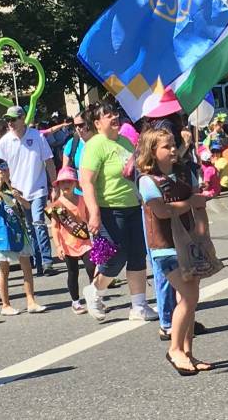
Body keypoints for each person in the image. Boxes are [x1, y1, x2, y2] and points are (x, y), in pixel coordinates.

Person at [136, 128, 214, 375]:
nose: (172, 150)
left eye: (173, 145)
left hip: (188, 244)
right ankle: (174, 349)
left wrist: (202, 235)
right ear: (152, 152)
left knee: (190, 300)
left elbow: (197, 203)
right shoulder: (147, 180)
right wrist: (191, 203)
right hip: (164, 248)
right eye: (166, 147)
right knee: (189, 295)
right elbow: (160, 211)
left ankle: (187, 353)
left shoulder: (184, 173)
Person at [79, 102, 158, 322]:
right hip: (109, 209)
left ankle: (139, 305)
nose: (113, 117)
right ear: (97, 123)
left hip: (133, 206)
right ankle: (95, 290)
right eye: (107, 115)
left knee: (137, 255)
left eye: (115, 113)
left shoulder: (125, 141)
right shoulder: (95, 145)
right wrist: (93, 212)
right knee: (115, 256)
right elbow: (86, 181)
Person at [0, 106, 58, 277]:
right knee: (29, 227)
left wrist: (54, 185)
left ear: (22, 119)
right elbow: (3, 168)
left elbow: (49, 162)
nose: (10, 123)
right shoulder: (5, 141)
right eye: (7, 120)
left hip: (38, 188)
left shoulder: (37, 136)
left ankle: (47, 261)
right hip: (18, 190)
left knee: (38, 223)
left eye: (13, 119)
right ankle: (37, 261)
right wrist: (6, 184)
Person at [0, 160, 46, 316]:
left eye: (6, 170)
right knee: (4, 269)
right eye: (0, 171)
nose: (4, 172)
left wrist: (19, 197)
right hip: (1, 234)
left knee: (26, 265)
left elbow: (27, 206)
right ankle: (5, 304)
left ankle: (31, 300)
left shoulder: (12, 190)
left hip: (18, 230)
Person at [46, 167, 93, 315]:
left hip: (85, 241)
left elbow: (90, 216)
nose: (66, 185)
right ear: (58, 185)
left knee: (92, 268)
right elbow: (54, 227)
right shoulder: (56, 206)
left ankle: (95, 298)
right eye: (63, 182)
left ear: (75, 184)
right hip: (67, 243)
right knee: (73, 273)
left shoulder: (83, 199)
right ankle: (76, 301)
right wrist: (58, 246)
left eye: (69, 182)